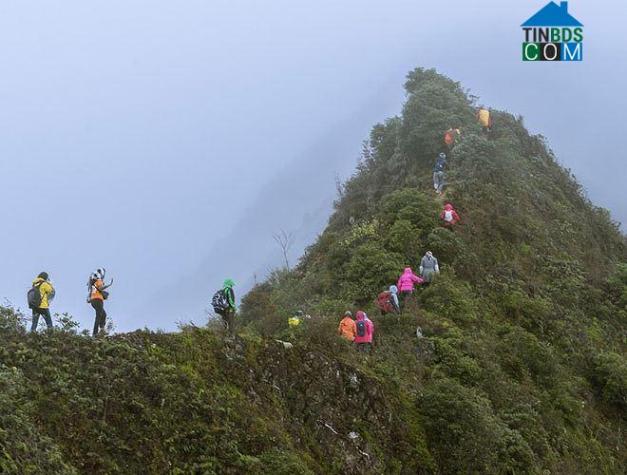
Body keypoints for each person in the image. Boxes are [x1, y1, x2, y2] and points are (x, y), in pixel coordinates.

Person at [87, 269, 112, 337]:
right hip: (98, 300)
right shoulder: (99, 281)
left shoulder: (92, 284)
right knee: (99, 316)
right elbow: (101, 288)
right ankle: (95, 333)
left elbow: (88, 298)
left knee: (103, 314)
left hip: (93, 301)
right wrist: (109, 284)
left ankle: (101, 329)